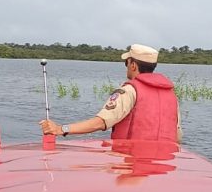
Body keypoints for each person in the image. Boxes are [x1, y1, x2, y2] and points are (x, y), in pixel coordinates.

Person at [39, 44, 181, 142]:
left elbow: (100, 123)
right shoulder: (171, 95)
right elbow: (177, 136)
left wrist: (60, 129)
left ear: (133, 65)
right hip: (161, 166)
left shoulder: (129, 91)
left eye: (127, 63)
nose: (126, 67)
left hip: (131, 161)